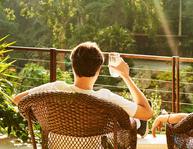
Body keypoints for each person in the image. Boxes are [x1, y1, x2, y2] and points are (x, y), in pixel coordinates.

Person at [13, 41, 154, 126]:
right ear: (98, 69)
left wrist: (44, 120)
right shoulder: (105, 97)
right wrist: (125, 76)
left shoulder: (55, 88)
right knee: (129, 120)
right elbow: (147, 113)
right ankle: (139, 125)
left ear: (73, 67)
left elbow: (18, 99)